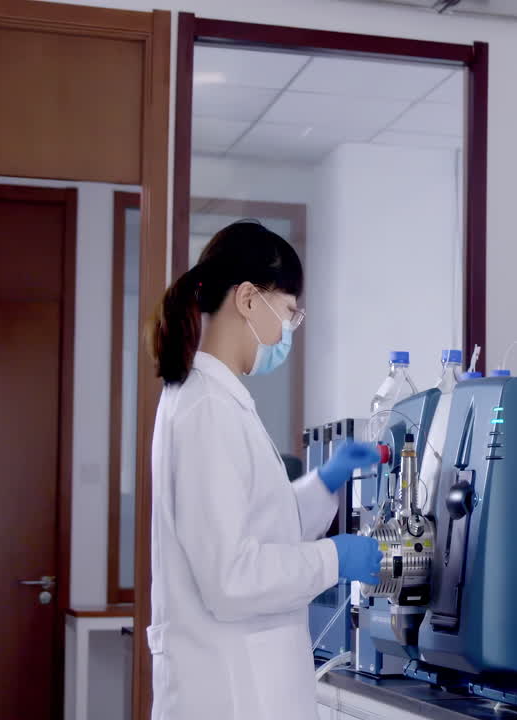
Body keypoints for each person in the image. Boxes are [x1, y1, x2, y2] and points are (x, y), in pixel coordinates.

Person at [145, 221, 383, 720]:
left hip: (243, 684)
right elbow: (231, 578)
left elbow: (254, 523)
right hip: (229, 692)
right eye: (290, 313)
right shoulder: (206, 409)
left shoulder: (212, 401)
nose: (287, 332)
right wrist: (334, 558)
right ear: (249, 299)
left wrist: (326, 481)